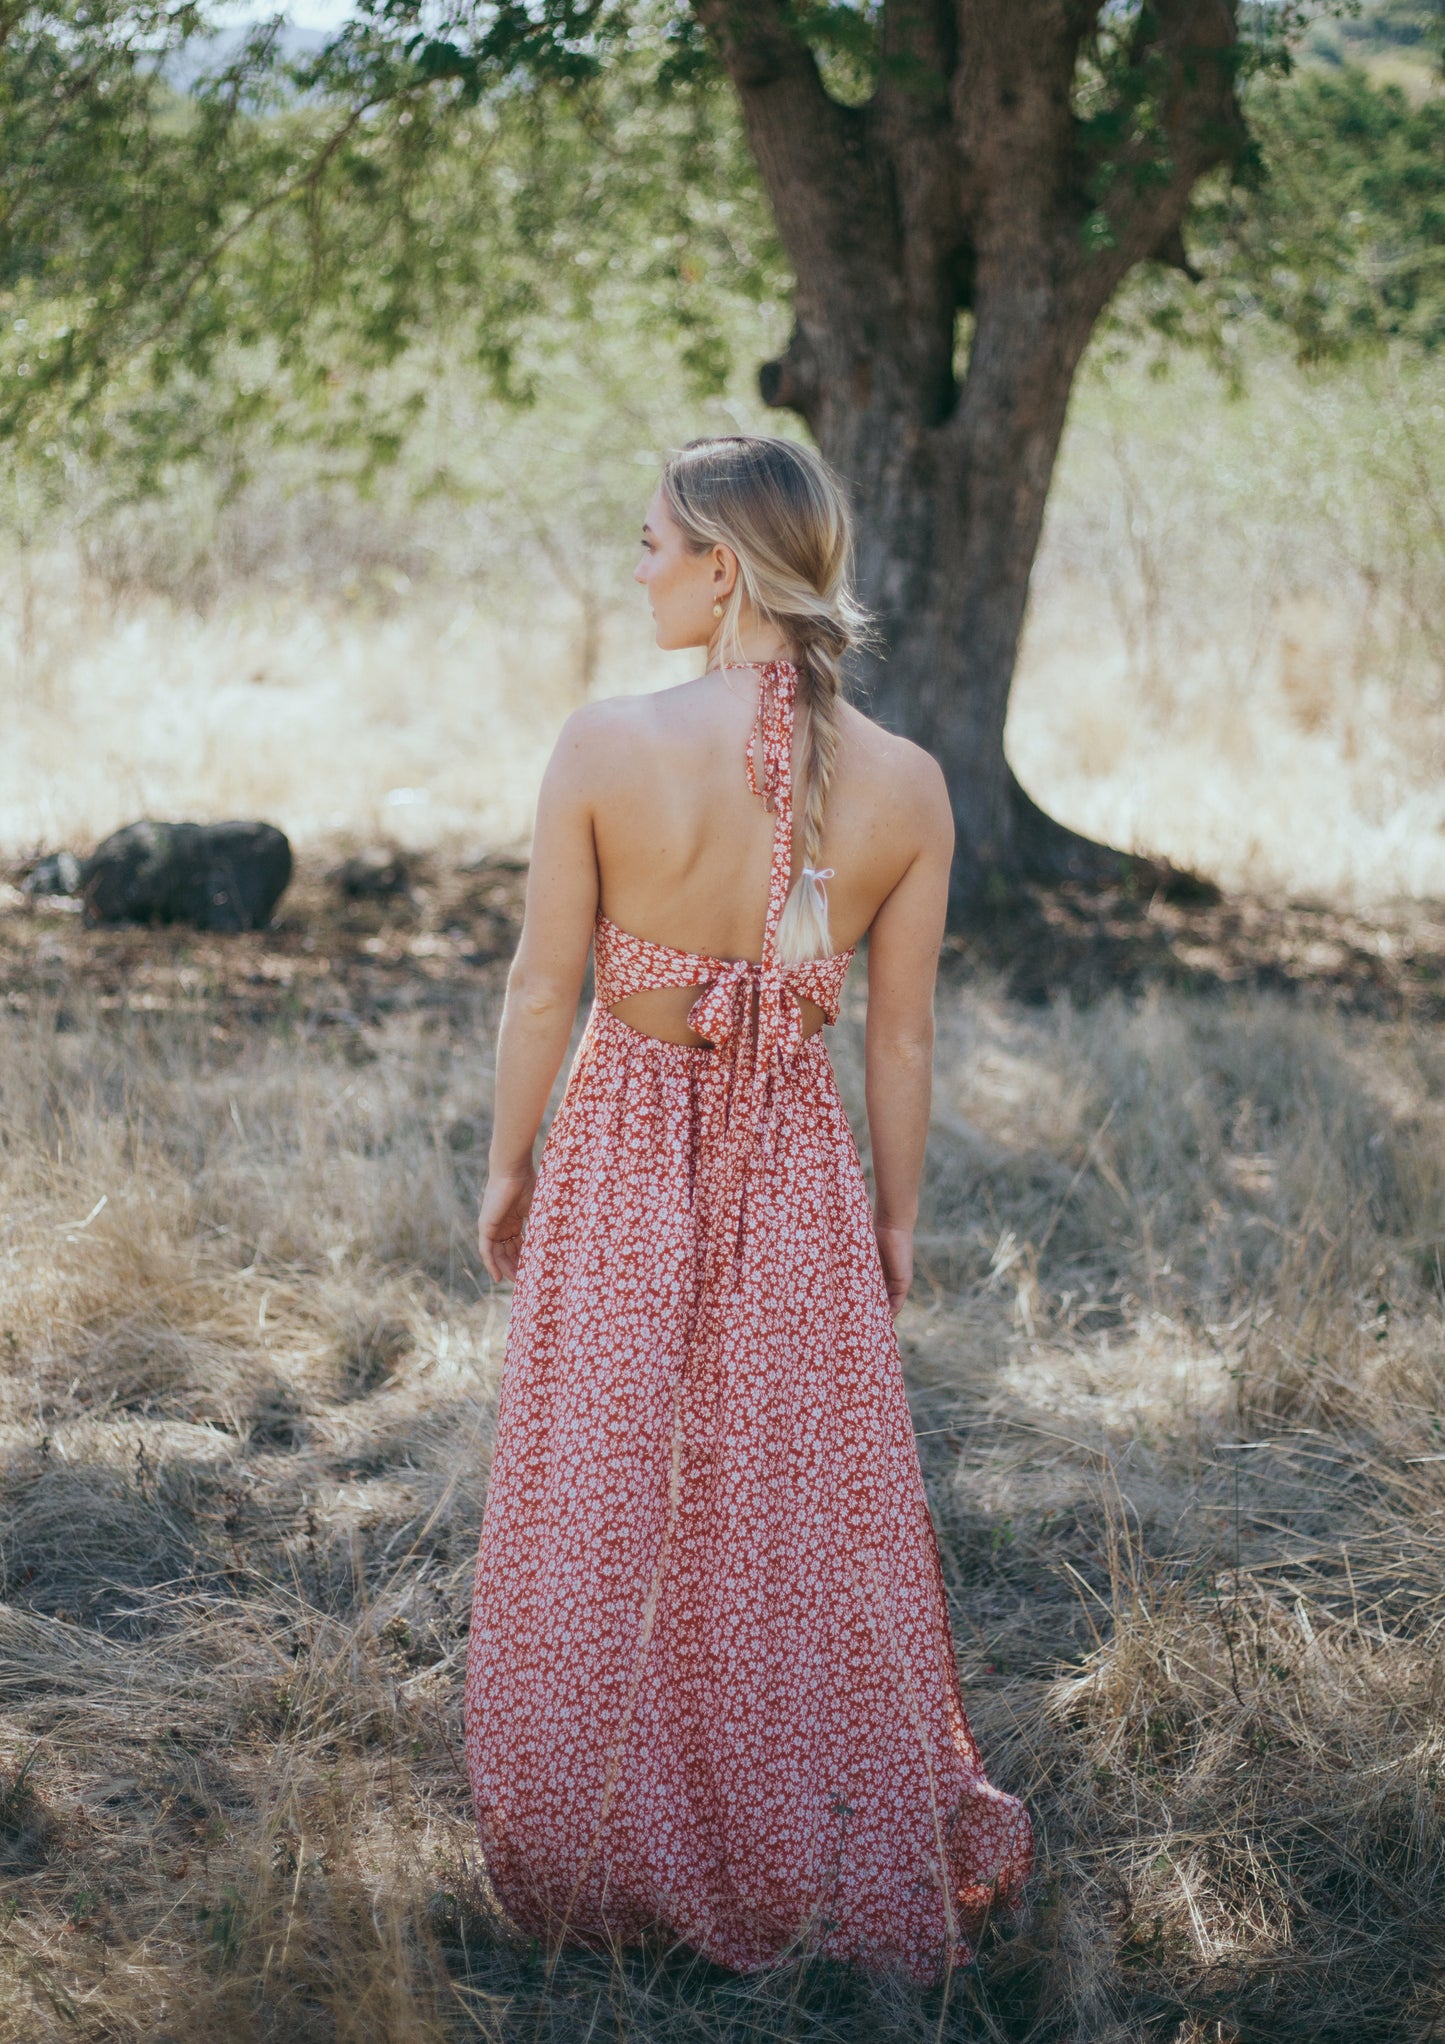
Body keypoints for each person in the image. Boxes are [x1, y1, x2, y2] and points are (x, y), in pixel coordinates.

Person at [462, 434, 1032, 1983]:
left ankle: (604, 1833)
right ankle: (793, 1825)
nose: (636, 566)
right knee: (780, 1501)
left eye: (651, 540)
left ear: (723, 562)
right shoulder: (907, 783)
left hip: (623, 1145)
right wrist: (897, 1220)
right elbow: (901, 1037)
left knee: (604, 1478)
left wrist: (507, 1167)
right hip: (797, 1171)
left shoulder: (603, 743)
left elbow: (541, 986)